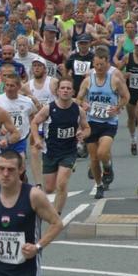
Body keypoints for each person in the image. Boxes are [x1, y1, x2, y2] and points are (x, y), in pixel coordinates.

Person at [31, 79, 90, 215]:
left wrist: (83, 134)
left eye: (68, 88)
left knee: (62, 184)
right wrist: (37, 139)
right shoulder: (49, 109)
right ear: (57, 91)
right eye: (62, 88)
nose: (65, 90)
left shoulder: (78, 110)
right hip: (50, 151)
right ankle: (52, 210)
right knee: (50, 188)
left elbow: (87, 128)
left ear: (73, 92)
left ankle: (56, 214)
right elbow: (34, 123)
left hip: (69, 151)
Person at [77, 48, 129, 199]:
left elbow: (126, 96)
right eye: (96, 65)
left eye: (102, 65)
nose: (99, 68)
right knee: (93, 158)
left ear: (107, 63)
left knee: (102, 153)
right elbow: (78, 98)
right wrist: (83, 104)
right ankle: (99, 185)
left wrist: (118, 107)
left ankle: (107, 168)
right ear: (93, 63)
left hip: (109, 123)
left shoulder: (114, 80)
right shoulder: (88, 80)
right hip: (92, 122)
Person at [0, 75, 37, 157]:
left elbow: (32, 115)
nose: (9, 88)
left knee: (21, 163)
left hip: (20, 139)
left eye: (12, 86)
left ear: (19, 87)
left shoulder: (27, 101)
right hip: (2, 139)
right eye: (7, 85)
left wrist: (32, 131)